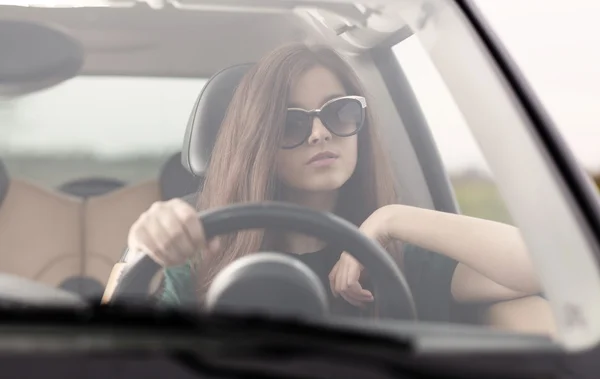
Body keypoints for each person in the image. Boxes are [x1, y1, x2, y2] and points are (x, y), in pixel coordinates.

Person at [103, 43, 556, 336]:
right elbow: (108, 356)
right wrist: (145, 252)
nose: (320, 134)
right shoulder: (202, 251)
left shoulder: (399, 253)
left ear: (361, 124)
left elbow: (554, 270)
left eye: (339, 113)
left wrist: (390, 219)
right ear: (259, 141)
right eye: (291, 122)